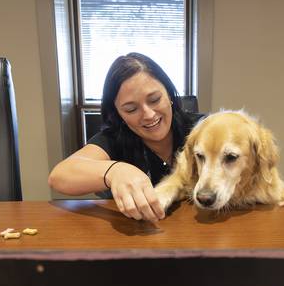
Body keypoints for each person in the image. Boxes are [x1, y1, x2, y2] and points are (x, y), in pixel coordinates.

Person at [48, 53, 200, 224]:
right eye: (131, 109)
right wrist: (114, 171)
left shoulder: (202, 128)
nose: (149, 115)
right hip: (134, 236)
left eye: (155, 99)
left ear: (170, 95)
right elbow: (59, 176)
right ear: (119, 114)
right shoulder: (114, 139)